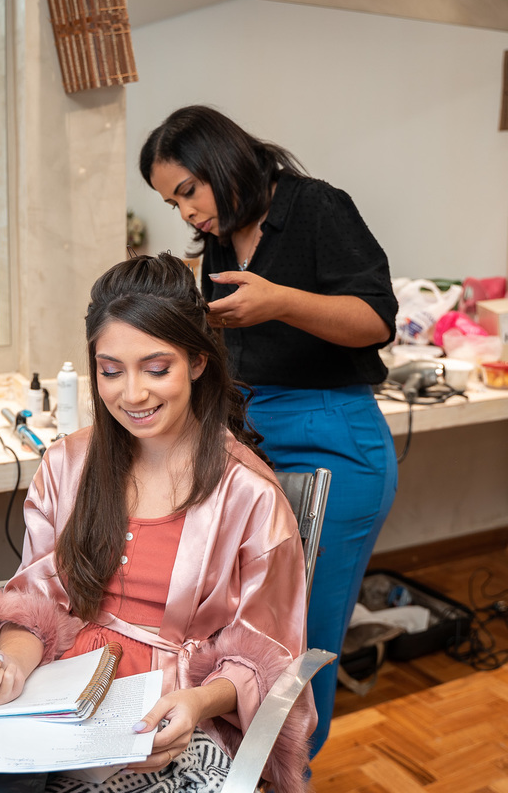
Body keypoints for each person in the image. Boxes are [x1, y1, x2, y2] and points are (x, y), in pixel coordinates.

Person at [0, 253, 315, 793]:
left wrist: (197, 701)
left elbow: (265, 653)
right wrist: (11, 667)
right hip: (52, 692)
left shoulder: (248, 494)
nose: (131, 394)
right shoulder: (67, 464)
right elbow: (39, 601)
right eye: (110, 370)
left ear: (199, 362)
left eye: (156, 369)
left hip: (166, 709)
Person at [140, 105, 399, 755]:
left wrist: (280, 300)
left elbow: (375, 319)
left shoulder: (316, 208)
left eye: (187, 191)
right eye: (172, 202)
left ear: (221, 163)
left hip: (334, 440)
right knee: (241, 623)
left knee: (302, 640)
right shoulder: (222, 244)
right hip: (254, 437)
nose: (186, 213)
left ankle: (287, 768)